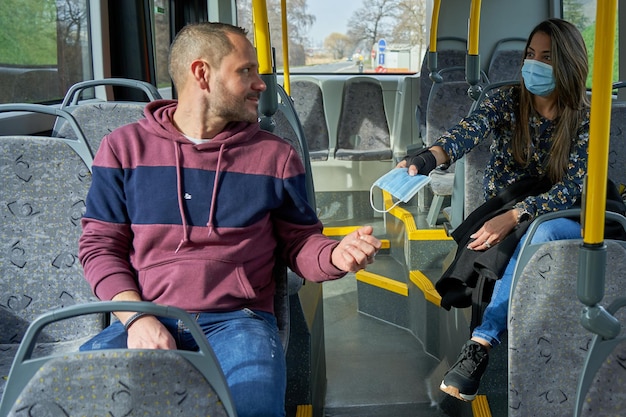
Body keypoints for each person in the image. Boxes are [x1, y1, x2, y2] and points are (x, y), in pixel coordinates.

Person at [78, 22, 381, 417]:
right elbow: (100, 246)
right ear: (202, 73)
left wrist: (335, 257)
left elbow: (300, 240)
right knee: (72, 397)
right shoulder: (122, 149)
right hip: (147, 313)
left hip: (238, 321)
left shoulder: (275, 156)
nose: (260, 84)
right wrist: (137, 318)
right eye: (246, 71)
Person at [397, 18, 590, 402]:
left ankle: (481, 343)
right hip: (507, 204)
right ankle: (483, 343)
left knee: (543, 233)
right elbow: (467, 132)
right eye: (530, 55)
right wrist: (427, 158)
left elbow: (573, 188)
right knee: (515, 237)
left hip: (565, 210)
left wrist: (518, 215)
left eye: (547, 57)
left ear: (568, 63)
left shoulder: (586, 115)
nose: (534, 64)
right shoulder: (505, 100)